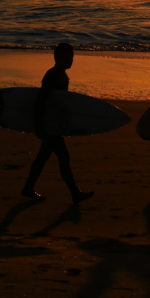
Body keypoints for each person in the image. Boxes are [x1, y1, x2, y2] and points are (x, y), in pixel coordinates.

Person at [21, 43, 94, 204]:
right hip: (49, 126)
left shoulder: (59, 74)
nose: (72, 60)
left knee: (43, 157)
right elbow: (41, 101)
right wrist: (40, 125)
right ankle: (75, 193)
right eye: (69, 57)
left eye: (72, 57)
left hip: (52, 124)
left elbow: (59, 103)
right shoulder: (54, 75)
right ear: (59, 58)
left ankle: (28, 187)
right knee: (63, 157)